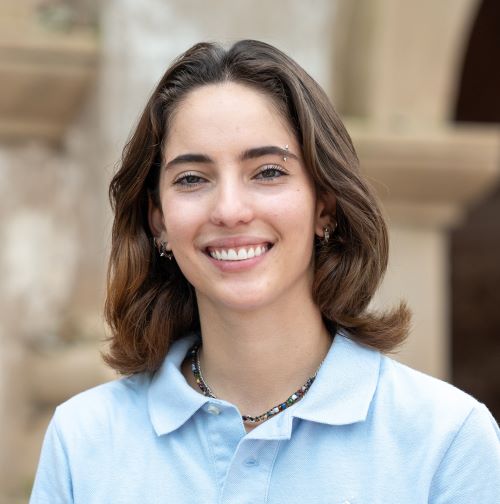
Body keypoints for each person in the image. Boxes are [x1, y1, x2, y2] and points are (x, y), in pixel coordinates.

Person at [30, 39, 499, 503]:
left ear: (325, 205)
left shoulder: (446, 441)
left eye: (268, 172)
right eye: (192, 178)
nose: (230, 210)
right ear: (159, 222)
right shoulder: (83, 442)